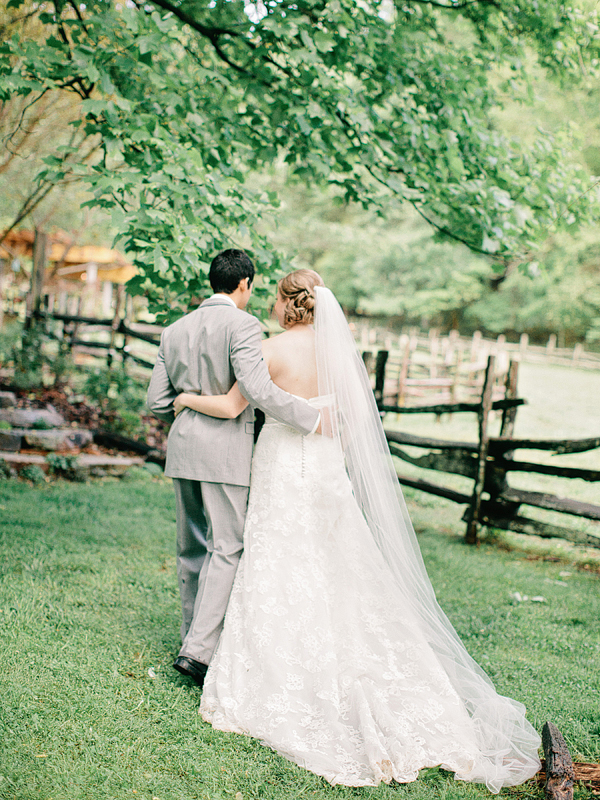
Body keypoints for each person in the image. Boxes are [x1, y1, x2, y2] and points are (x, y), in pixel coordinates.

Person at [172, 270, 542, 792]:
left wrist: (186, 399)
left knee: (279, 560)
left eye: (277, 299)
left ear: (286, 303)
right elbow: (347, 427)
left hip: (281, 465)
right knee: (339, 566)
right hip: (326, 471)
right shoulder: (339, 356)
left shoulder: (269, 350)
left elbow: (235, 406)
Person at [146, 251, 320, 688]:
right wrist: (310, 418)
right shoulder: (244, 326)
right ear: (243, 283)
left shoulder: (173, 330)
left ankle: (190, 638)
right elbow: (257, 389)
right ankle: (199, 652)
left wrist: (187, 407)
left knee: (192, 548)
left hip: (183, 450)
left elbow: (156, 402)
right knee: (226, 547)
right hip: (225, 454)